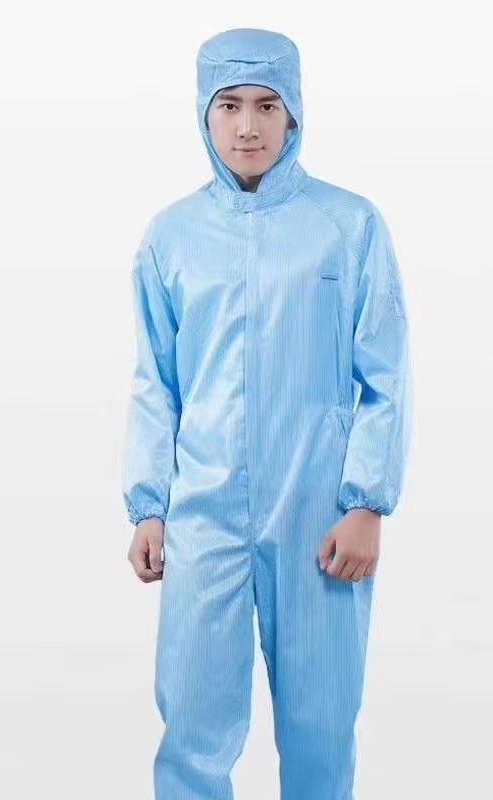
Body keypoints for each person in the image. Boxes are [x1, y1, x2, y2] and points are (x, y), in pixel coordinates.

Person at [122, 27, 412, 800]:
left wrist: (367, 504)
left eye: (266, 105)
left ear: (294, 113)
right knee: (192, 726)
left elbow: (386, 376)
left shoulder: (349, 226)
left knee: (321, 726)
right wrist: (150, 505)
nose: (247, 126)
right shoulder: (171, 238)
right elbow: (156, 383)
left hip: (319, 513)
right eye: (229, 105)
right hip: (203, 512)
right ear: (203, 113)